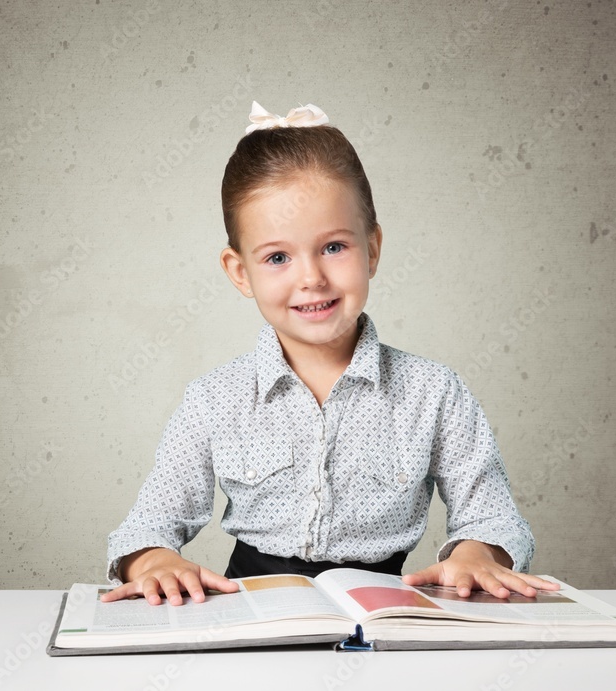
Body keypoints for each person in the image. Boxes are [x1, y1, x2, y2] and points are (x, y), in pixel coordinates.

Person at [102, 101, 558, 607]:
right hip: (254, 608)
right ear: (239, 272)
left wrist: (478, 554)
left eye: (334, 247)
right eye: (277, 257)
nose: (312, 278)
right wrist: (154, 560)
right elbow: (149, 522)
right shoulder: (214, 399)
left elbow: (493, 515)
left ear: (373, 248)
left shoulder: (434, 391)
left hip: (386, 607)